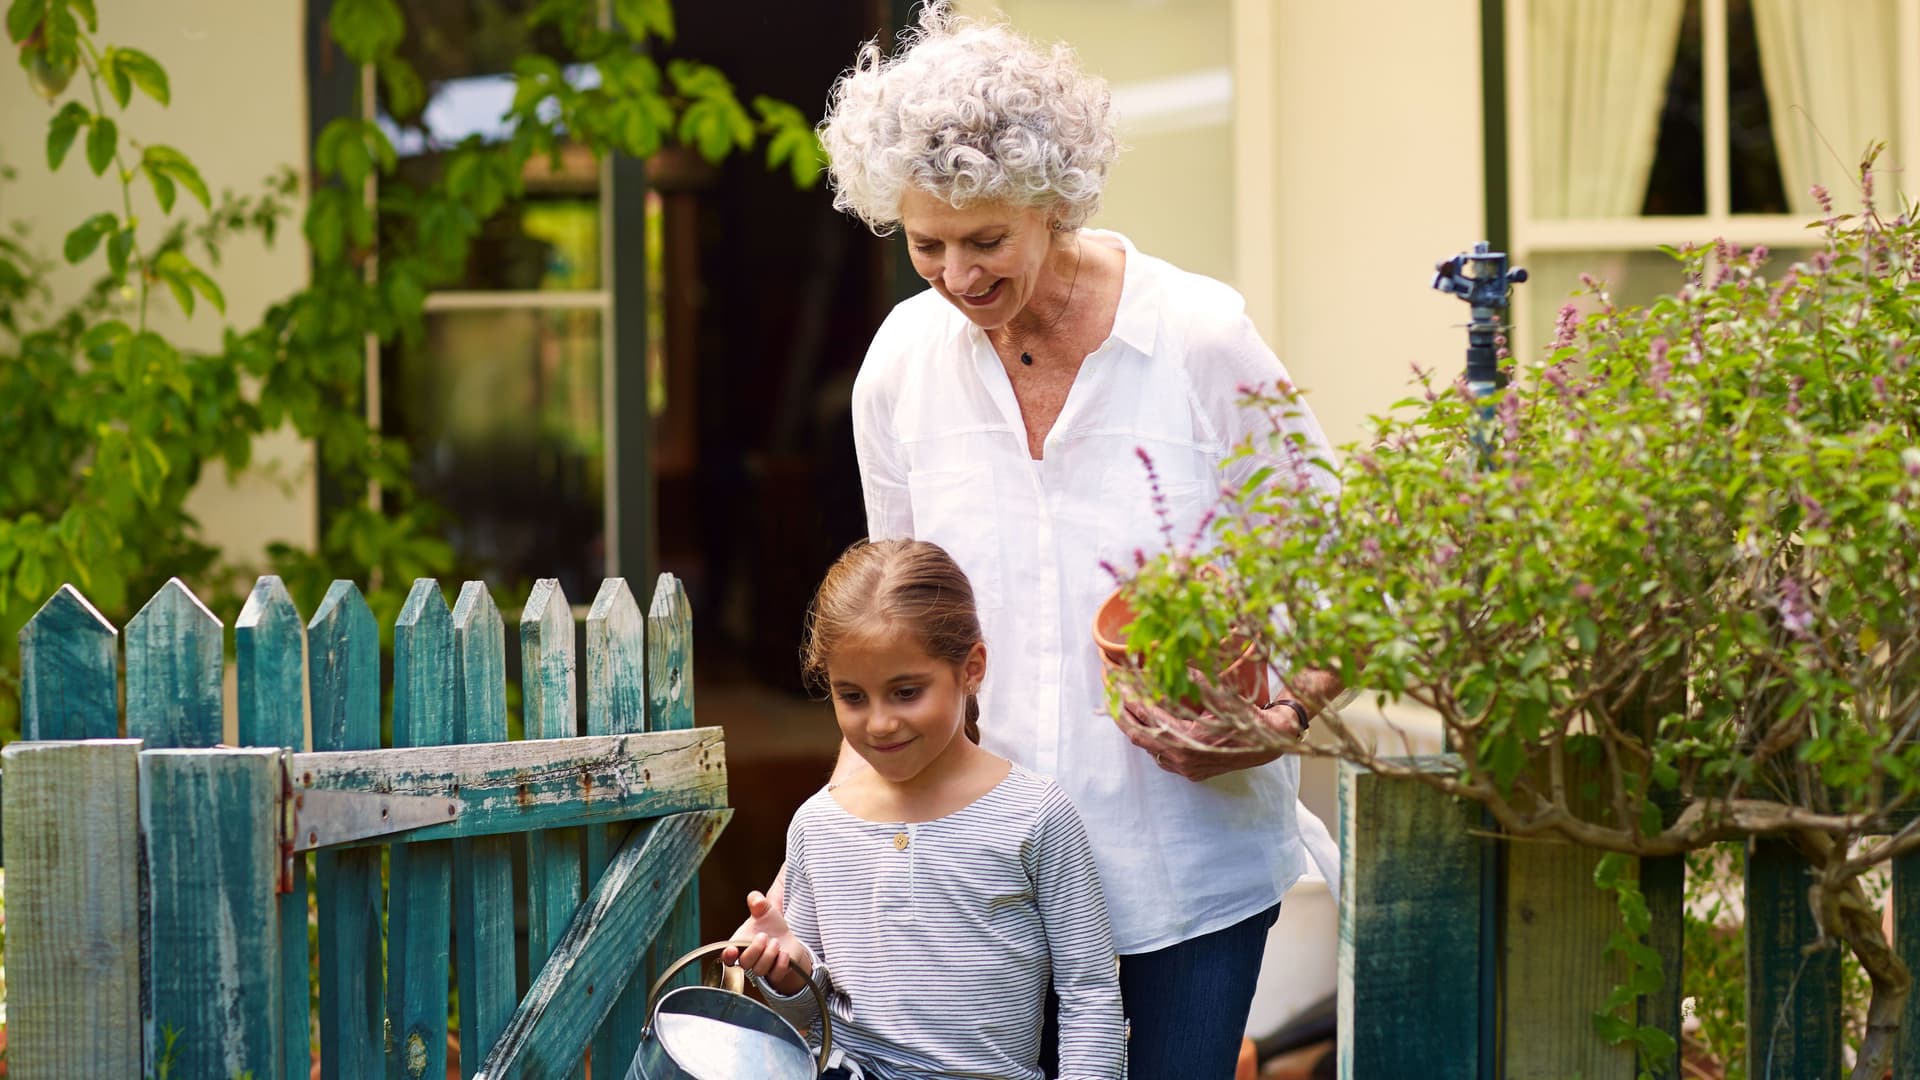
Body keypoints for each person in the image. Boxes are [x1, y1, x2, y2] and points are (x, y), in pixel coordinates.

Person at [786, 7, 1351, 1077]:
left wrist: (1280, 716)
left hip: (1187, 868)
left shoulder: (1197, 339)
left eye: (987, 240)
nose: (956, 275)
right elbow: (892, 628)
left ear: (1055, 202)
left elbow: (1343, 569)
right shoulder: (903, 361)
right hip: (984, 874)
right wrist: (847, 844)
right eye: (926, 244)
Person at [727, 539, 1126, 1080]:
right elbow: (813, 1027)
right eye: (853, 697)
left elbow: (1090, 997)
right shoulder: (819, 825)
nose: (880, 723)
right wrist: (791, 976)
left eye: (906, 691)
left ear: (972, 668)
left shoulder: (1036, 816)